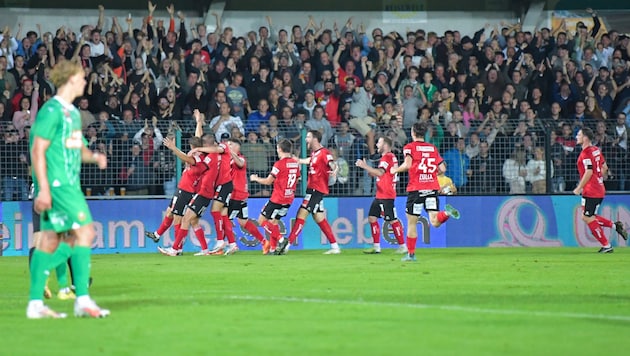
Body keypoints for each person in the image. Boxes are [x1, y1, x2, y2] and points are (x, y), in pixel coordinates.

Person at [28, 60, 109, 318]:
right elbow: (37, 150)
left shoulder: (73, 114)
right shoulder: (51, 111)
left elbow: (79, 149)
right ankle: (82, 299)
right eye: (82, 77)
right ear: (70, 79)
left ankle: (35, 303)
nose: (85, 81)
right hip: (58, 185)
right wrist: (43, 189)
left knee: (53, 240)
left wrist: (95, 157)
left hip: (69, 184)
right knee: (84, 232)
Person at [391, 122, 460, 262]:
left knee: (412, 223)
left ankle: (411, 255)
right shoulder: (432, 148)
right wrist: (431, 172)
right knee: (434, 221)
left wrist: (395, 170)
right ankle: (446, 213)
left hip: (416, 189)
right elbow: (443, 169)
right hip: (431, 188)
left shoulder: (409, 147)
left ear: (413, 133)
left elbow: (408, 164)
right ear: (424, 133)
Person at [156, 112, 219, 256]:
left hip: (203, 193)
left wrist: (173, 148)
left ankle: (175, 249)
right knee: (194, 221)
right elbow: (198, 139)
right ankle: (204, 249)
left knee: (185, 219)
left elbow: (187, 157)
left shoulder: (202, 158)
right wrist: (198, 122)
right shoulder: (204, 153)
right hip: (203, 192)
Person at [276, 130, 341, 255]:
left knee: (301, 214)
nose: (306, 139)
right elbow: (309, 160)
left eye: (308, 137)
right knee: (319, 218)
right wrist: (298, 160)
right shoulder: (315, 154)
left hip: (316, 190)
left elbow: (332, 163)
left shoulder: (324, 153)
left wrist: (335, 170)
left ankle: (287, 245)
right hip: (314, 190)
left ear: (315, 139)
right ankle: (335, 246)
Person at [572, 128, 627, 253]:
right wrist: (598, 180)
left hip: (591, 190)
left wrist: (579, 187)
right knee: (587, 216)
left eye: (579, 135)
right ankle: (614, 226)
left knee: (588, 217)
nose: (576, 136)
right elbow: (604, 168)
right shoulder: (596, 150)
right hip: (597, 188)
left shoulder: (585, 153)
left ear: (585, 138)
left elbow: (589, 171)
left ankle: (607, 245)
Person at [355, 136, 407, 254]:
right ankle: (377, 247)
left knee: (392, 220)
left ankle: (403, 246)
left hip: (386, 195)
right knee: (372, 217)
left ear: (385, 145)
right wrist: (373, 173)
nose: (377, 145)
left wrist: (365, 166)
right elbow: (383, 174)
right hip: (380, 194)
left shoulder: (387, 157)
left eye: (379, 142)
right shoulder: (389, 157)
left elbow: (380, 172)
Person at [250, 139, 300, 254]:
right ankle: (273, 248)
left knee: (262, 221)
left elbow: (268, 181)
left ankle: (281, 240)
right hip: (289, 199)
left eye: (277, 148)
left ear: (280, 149)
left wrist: (255, 179)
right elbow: (297, 179)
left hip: (277, 198)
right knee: (274, 223)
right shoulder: (295, 163)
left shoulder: (279, 164)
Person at [221, 137, 270, 254]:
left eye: (231, 144)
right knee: (243, 222)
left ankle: (227, 245)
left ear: (237, 147)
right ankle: (264, 242)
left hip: (236, 195)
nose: (229, 146)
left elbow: (240, 162)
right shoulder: (229, 159)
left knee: (225, 219)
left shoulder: (241, 158)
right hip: (240, 194)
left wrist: (229, 151)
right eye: (228, 145)